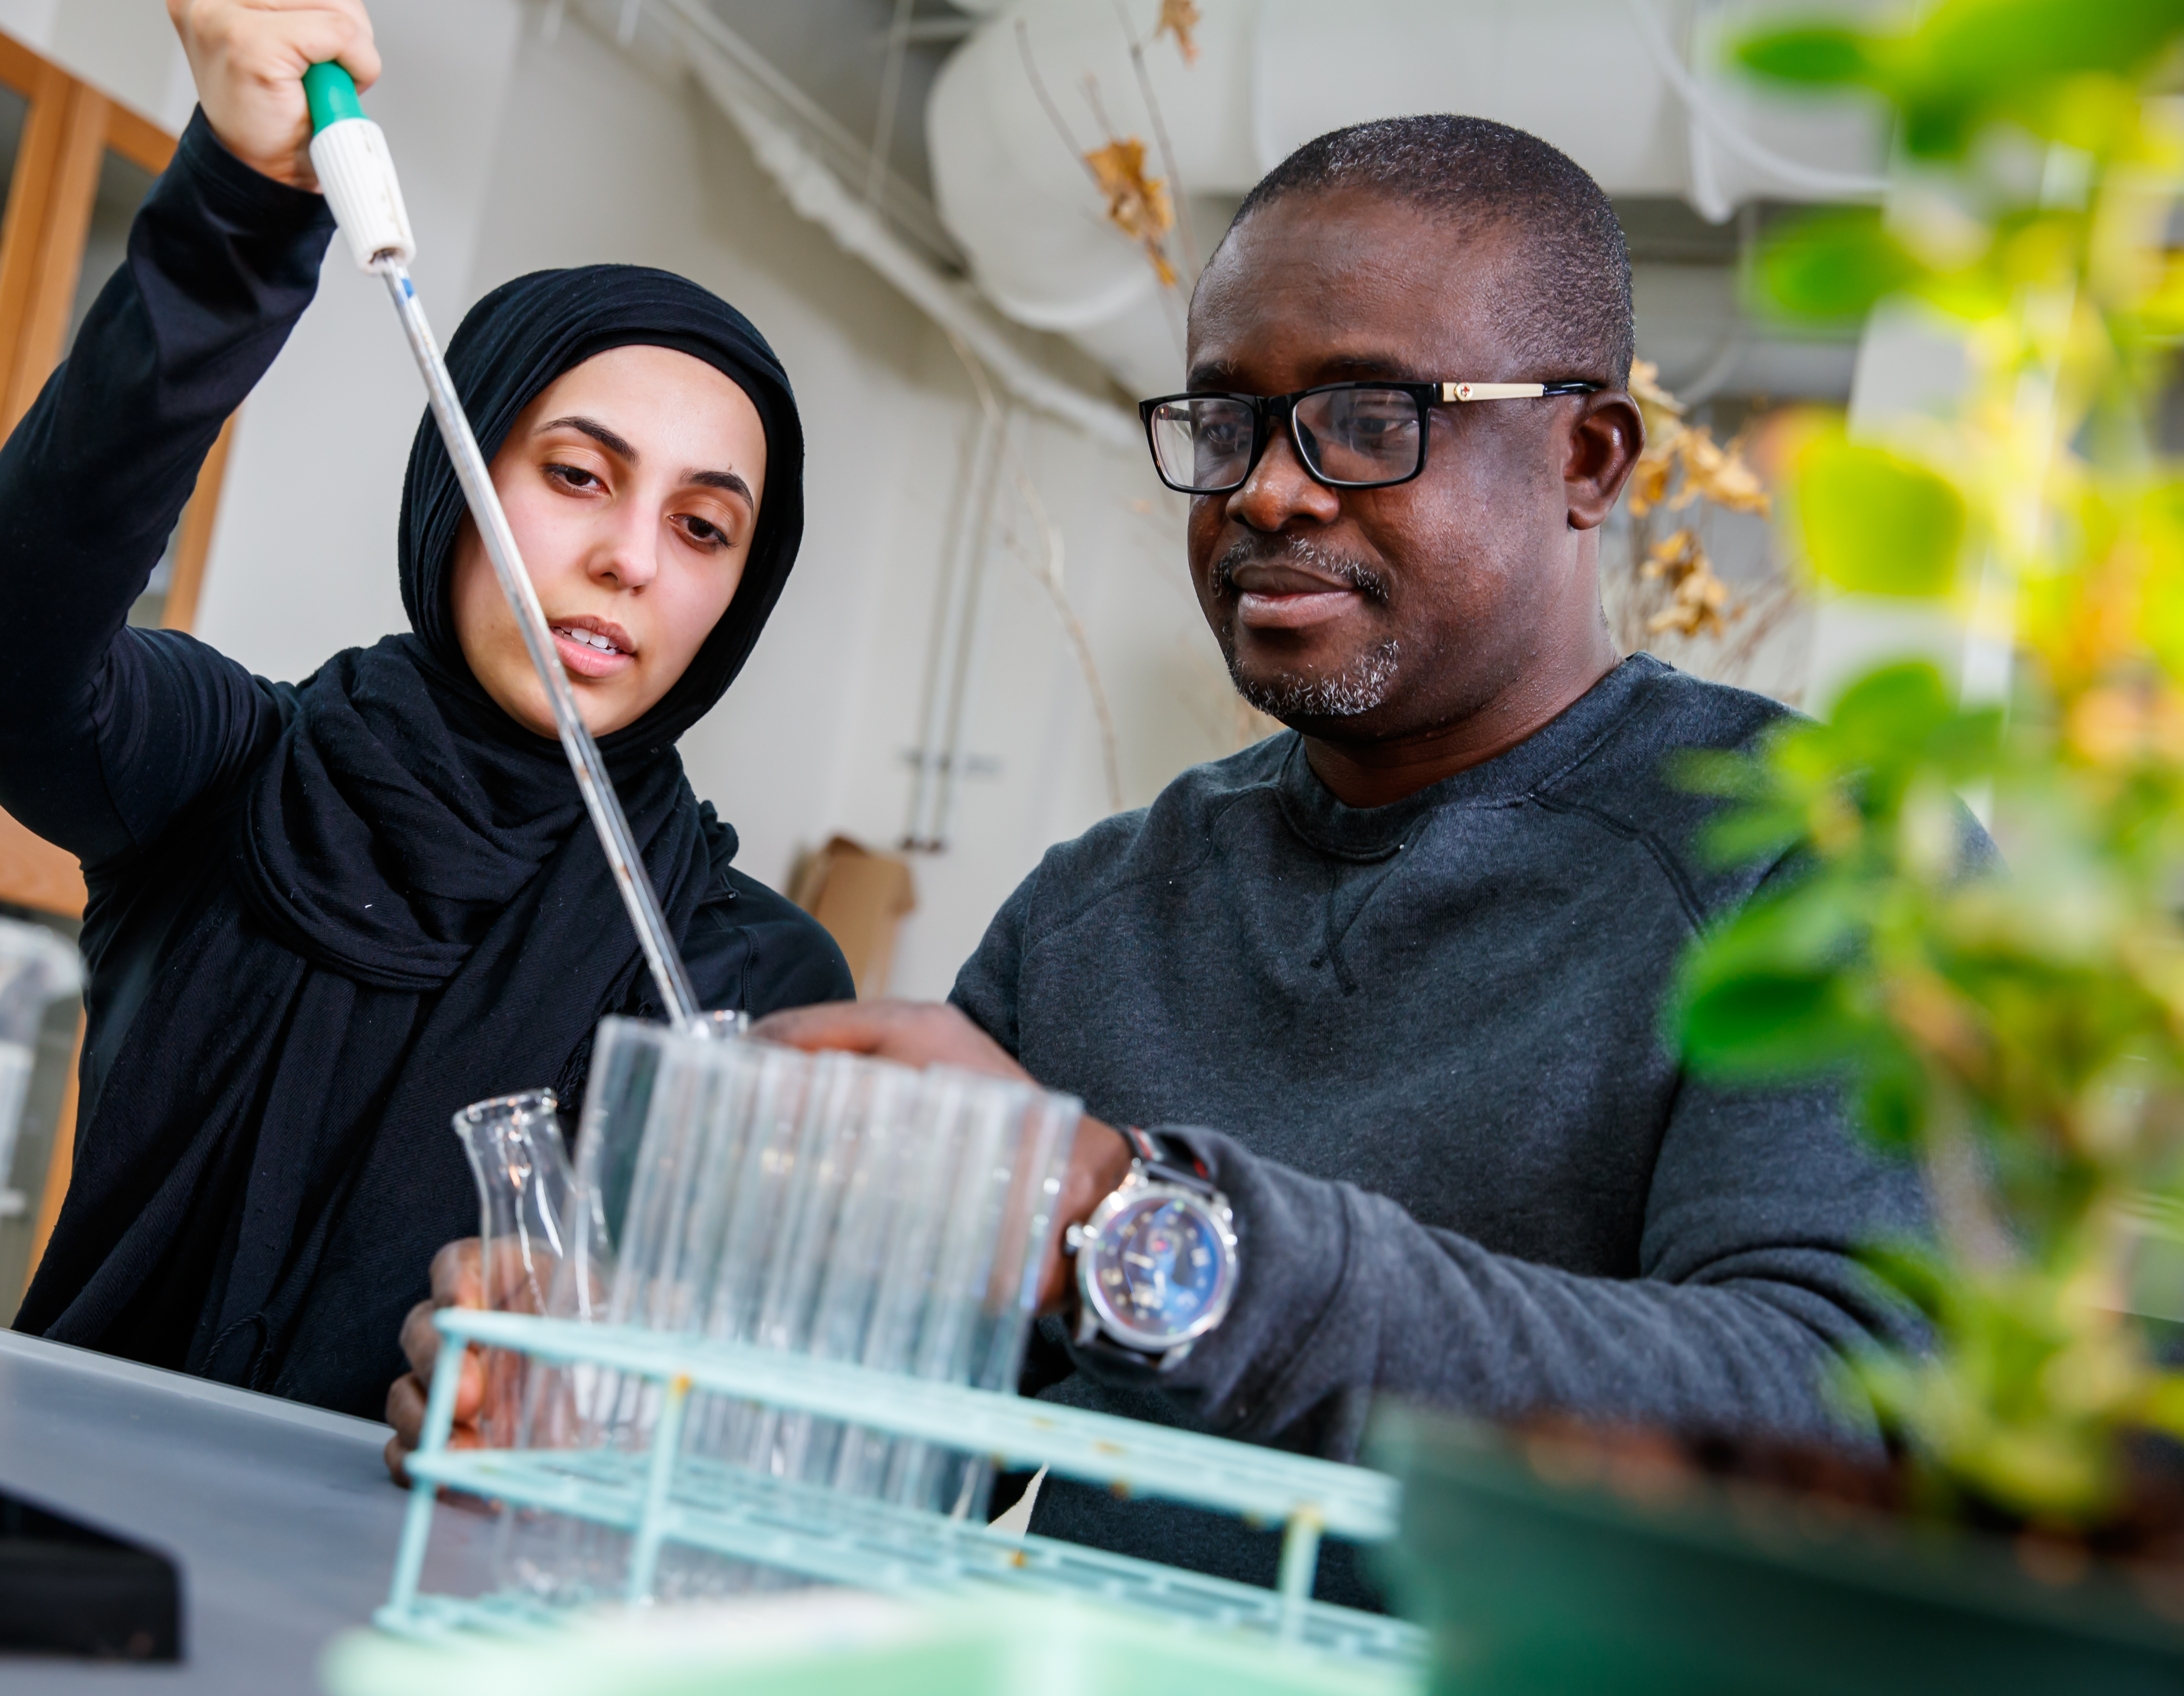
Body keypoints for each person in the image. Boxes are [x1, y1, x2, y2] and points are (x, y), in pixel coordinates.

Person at [390, 114, 1939, 1606]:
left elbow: (1834, 1427)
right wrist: (641, 1395)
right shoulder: (1097, 914)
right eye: (1225, 421)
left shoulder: (1804, 862)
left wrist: (1139, 1232)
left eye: (1365, 417)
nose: (1267, 486)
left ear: (1587, 460)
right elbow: (913, 1437)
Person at [0, 0, 849, 1420]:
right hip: (68, 1582)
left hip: (434, 1626)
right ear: (459, 482)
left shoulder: (751, 982)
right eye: (578, 475)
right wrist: (237, 213)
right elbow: (8, 649)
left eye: (705, 526)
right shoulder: (227, 775)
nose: (631, 559)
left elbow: (724, 1395)